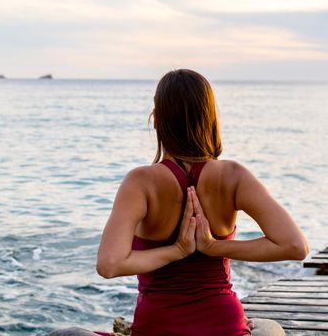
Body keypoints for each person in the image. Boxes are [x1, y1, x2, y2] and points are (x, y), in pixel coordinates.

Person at [50, 69, 309, 336]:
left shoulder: (140, 182)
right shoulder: (234, 176)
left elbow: (109, 265)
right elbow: (295, 246)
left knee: (64, 334)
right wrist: (213, 246)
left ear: (157, 119)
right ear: (210, 118)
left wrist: (178, 250)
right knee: (269, 328)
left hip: (159, 327)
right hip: (224, 325)